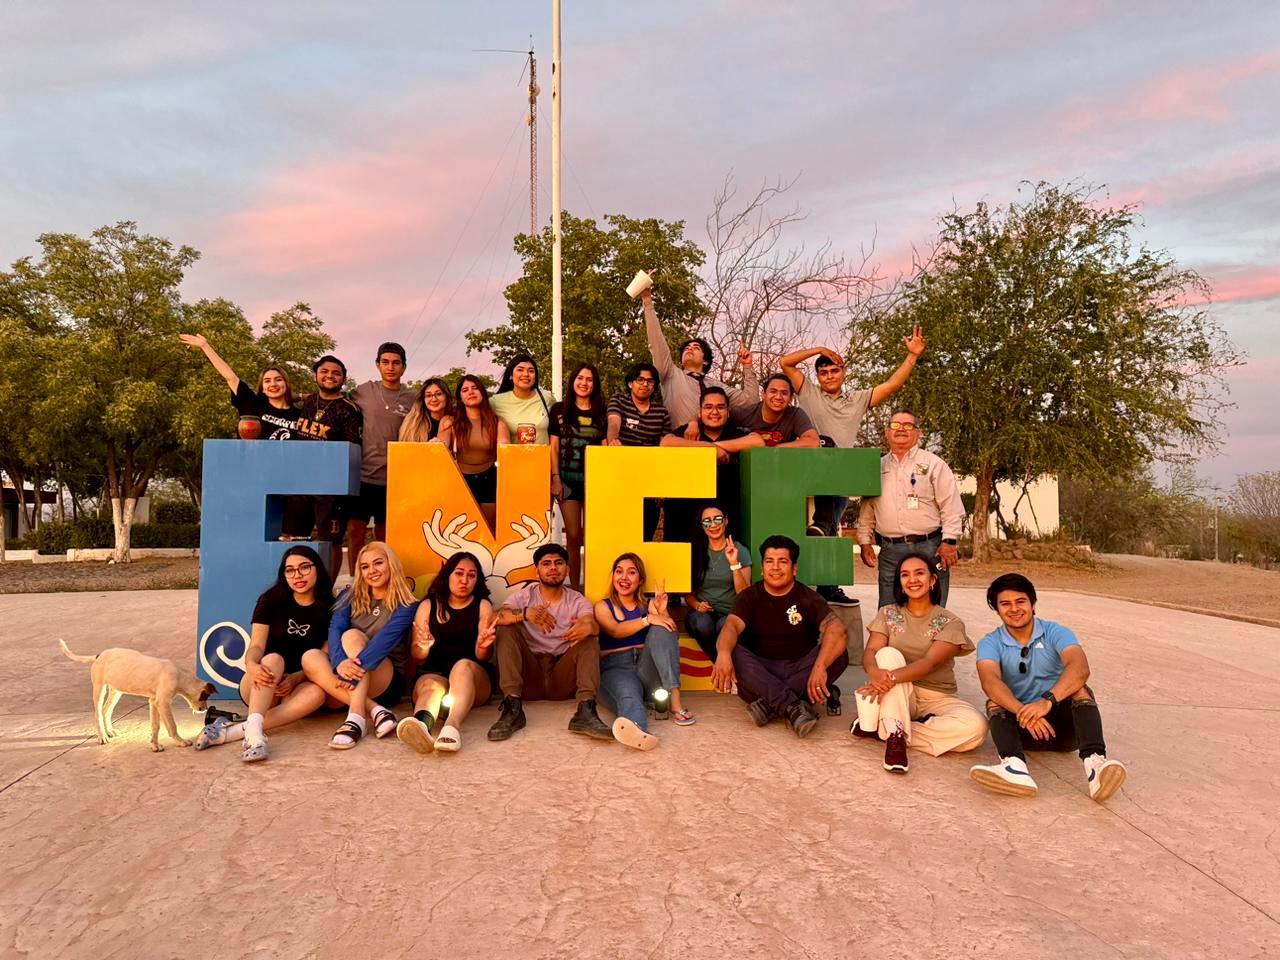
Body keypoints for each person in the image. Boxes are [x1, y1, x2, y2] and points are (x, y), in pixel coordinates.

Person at [969, 574, 1128, 802]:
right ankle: (1014, 767)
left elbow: (1080, 668)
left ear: (1033, 603)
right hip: (1022, 728)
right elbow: (989, 681)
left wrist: (1046, 702)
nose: (1014, 609)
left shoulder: (1056, 632)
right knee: (995, 700)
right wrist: (1023, 711)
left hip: (1064, 729)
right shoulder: (990, 643)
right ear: (997, 610)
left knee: (1080, 689)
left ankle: (1095, 765)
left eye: (1021, 601)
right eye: (1005, 604)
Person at [780, 329, 926, 539]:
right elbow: (785, 363)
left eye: (834, 370)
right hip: (808, 467)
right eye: (824, 372)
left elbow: (893, 384)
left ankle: (824, 533)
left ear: (844, 373)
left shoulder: (858, 399)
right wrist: (820, 350)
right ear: (818, 377)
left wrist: (912, 355)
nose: (830, 376)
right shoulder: (808, 392)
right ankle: (820, 524)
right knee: (825, 443)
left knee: (827, 534)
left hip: (840, 475)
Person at [850, 553, 986, 775]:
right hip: (897, 692)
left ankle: (882, 727)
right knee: (887, 653)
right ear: (899, 582)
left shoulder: (950, 622)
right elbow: (871, 651)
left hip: (936, 697)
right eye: (905, 575)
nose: (912, 580)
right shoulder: (888, 613)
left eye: (919, 573)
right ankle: (894, 735)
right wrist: (874, 672)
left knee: (976, 728)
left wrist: (888, 678)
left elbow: (929, 663)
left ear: (932, 580)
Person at [193, 546, 332, 760]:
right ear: (283, 574)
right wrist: (251, 665)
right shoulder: (271, 600)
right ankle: (255, 739)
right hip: (262, 681)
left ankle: (233, 731)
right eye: (290, 570)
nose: (297, 575)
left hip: (295, 685)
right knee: (274, 659)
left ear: (318, 569)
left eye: (304, 567)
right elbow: (257, 645)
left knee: (317, 694)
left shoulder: (330, 607)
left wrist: (296, 678)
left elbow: (324, 655)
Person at [711, 535, 849, 738]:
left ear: (794, 569)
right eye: (769, 561)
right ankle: (794, 704)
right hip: (761, 672)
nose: (775, 567)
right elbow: (731, 626)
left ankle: (769, 705)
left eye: (782, 561)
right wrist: (723, 653)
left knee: (839, 653)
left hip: (800, 668)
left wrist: (819, 666)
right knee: (732, 650)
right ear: (762, 569)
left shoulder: (807, 597)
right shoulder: (749, 596)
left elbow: (837, 629)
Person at [179, 332, 311, 537]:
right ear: (262, 387)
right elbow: (230, 376)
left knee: (288, 530)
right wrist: (205, 346)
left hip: (287, 479)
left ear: (286, 383)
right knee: (251, 530)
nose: (273, 384)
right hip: (254, 475)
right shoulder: (253, 403)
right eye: (267, 381)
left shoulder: (300, 415)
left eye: (278, 379)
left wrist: (303, 396)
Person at [486, 544, 611, 741]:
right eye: (546, 563)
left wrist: (589, 627)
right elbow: (493, 618)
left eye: (558, 563)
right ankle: (512, 708)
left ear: (567, 569)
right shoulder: (525, 596)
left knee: (588, 638)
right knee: (506, 628)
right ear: (537, 571)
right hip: (529, 675)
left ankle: (586, 711)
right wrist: (525, 613)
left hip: (562, 677)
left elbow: (591, 622)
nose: (553, 567)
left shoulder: (576, 600)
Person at [300, 541, 418, 750]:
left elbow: (382, 645)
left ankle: (355, 718)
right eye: (365, 566)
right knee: (310, 656)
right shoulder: (349, 596)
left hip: (385, 676)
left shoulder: (407, 604)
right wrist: (339, 663)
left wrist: (347, 670)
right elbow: (334, 630)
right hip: (350, 674)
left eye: (378, 563)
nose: (372, 571)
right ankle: (376, 710)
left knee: (352, 635)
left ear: (391, 564)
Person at [857, 410, 964, 608]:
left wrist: (949, 541)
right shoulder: (875, 467)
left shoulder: (934, 464)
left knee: (933, 608)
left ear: (918, 433)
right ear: (887, 432)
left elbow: (950, 506)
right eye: (895, 425)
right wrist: (864, 541)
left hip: (930, 547)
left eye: (908, 425)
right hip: (890, 550)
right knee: (889, 610)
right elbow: (867, 509)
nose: (901, 430)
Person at [395, 551, 496, 754]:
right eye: (459, 573)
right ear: (447, 575)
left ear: (477, 580)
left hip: (473, 681)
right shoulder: (428, 605)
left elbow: (482, 657)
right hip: (434, 673)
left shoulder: (483, 605)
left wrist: (483, 645)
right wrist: (423, 647)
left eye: (471, 575)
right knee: (431, 685)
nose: (464, 580)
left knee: (462, 666)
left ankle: (452, 726)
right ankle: (422, 726)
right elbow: (417, 657)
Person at [593, 553, 692, 750]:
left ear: (640, 580)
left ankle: (675, 702)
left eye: (631, 573)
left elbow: (671, 637)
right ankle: (638, 731)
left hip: (647, 670)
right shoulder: (603, 606)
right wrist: (648, 619)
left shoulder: (648, 606)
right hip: (617, 668)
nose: (624, 577)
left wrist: (662, 613)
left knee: (662, 629)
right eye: (619, 572)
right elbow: (615, 630)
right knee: (629, 696)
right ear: (613, 576)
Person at [640, 286, 758, 424]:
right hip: (679, 436)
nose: (690, 349)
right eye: (687, 348)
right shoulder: (671, 375)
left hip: (713, 437)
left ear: (705, 361)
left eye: (696, 348)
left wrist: (747, 366)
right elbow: (657, 344)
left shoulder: (718, 387)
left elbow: (751, 401)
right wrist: (647, 302)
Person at [347, 342, 416, 573]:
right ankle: (356, 582)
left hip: (394, 479)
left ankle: (385, 581)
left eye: (396, 363)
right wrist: (297, 397)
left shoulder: (413, 398)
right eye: (385, 362)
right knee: (355, 532)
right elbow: (334, 399)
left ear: (403, 367)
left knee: (385, 536)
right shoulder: (363, 391)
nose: (390, 367)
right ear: (377, 365)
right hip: (363, 476)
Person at [660, 385, 764, 536]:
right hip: (685, 516)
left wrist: (713, 447)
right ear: (699, 412)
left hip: (726, 517)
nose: (714, 412)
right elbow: (666, 443)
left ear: (728, 412)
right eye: (708, 407)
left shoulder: (736, 432)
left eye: (720, 407)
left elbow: (758, 442)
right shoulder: (689, 432)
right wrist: (710, 448)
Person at [296, 354, 363, 577]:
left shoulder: (349, 409)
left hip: (331, 487)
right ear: (315, 375)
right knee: (296, 536)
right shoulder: (308, 402)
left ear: (343, 379)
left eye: (336, 373)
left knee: (330, 540)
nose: (330, 376)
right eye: (324, 371)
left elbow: (352, 449)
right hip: (300, 482)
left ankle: (327, 589)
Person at [548, 363, 606, 586]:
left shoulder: (601, 412)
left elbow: (605, 447)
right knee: (573, 535)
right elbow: (554, 447)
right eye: (580, 378)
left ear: (595, 384)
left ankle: (594, 586)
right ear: (573, 381)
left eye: (589, 379)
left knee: (593, 537)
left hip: (594, 484)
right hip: (567, 481)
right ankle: (574, 587)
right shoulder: (559, 410)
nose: (584, 383)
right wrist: (555, 478)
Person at [605, 362, 672, 538]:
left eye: (650, 381)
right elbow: (613, 422)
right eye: (640, 380)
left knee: (646, 533)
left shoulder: (661, 412)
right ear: (630, 383)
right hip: (621, 476)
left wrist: (661, 485)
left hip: (648, 480)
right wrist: (613, 440)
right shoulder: (619, 401)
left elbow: (664, 449)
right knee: (619, 532)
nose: (645, 384)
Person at [682, 503, 752, 661]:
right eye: (707, 521)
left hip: (729, 612)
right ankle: (720, 661)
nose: (713, 525)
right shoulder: (696, 551)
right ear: (702, 526)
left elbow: (744, 594)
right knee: (703, 625)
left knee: (725, 626)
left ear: (725, 521)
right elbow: (688, 594)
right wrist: (697, 605)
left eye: (718, 519)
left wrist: (734, 563)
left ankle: (719, 663)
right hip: (701, 614)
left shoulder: (740, 550)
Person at [452, 374, 510, 527]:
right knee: (463, 530)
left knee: (488, 529)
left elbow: (505, 452)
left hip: (489, 479)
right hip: (460, 480)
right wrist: (436, 442)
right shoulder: (450, 421)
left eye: (475, 388)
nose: (470, 392)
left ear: (482, 393)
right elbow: (440, 445)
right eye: (465, 390)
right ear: (460, 398)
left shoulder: (498, 422)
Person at [733, 373, 821, 448]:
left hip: (781, 460)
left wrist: (777, 449)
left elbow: (813, 441)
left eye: (784, 393)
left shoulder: (795, 414)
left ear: (790, 398)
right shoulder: (744, 413)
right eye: (773, 391)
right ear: (763, 394)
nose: (778, 397)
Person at [490, 353, 555, 444]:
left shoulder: (547, 397)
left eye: (531, 371)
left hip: (543, 453)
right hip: (512, 454)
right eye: (520, 370)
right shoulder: (496, 402)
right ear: (511, 374)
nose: (526, 374)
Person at [398, 376, 455, 445]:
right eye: (428, 395)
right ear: (423, 400)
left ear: (447, 396)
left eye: (438, 394)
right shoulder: (413, 425)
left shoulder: (455, 419)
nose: (434, 399)